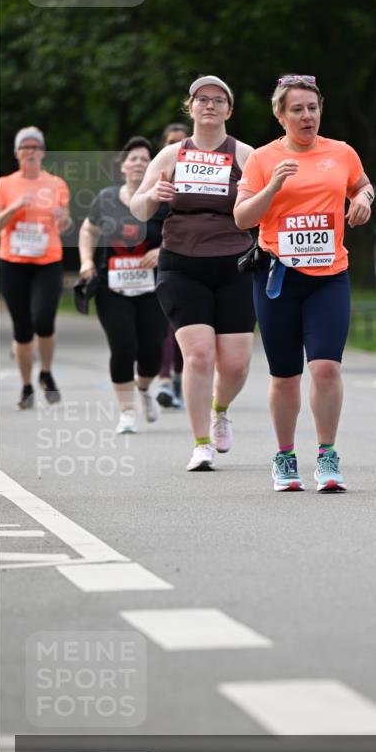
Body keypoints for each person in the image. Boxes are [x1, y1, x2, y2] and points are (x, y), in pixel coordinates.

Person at [234, 74, 374, 492]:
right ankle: (284, 457)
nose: (306, 116)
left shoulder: (342, 152)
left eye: (312, 108)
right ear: (280, 115)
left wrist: (364, 198)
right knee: (285, 374)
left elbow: (362, 184)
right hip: (278, 277)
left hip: (330, 276)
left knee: (327, 367)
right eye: (296, 109)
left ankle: (327, 456)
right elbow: (242, 218)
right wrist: (274, 185)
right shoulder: (261, 159)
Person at [131, 76, 255, 471]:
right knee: (199, 355)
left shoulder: (246, 155)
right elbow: (137, 209)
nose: (210, 105)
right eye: (202, 99)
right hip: (181, 264)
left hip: (235, 264)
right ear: (191, 107)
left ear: (229, 110)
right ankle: (201, 443)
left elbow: (267, 205)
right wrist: (152, 196)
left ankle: (220, 408)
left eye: (219, 100)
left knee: (235, 365)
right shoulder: (170, 155)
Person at [78, 137, 167, 434]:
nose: (139, 163)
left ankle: (143, 389)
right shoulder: (106, 198)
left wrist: (161, 250)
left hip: (153, 287)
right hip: (111, 287)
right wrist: (86, 262)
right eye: (133, 158)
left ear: (152, 165)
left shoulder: (163, 199)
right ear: (122, 166)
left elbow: (179, 233)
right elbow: (88, 230)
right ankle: (127, 412)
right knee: (123, 347)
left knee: (152, 352)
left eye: (145, 159)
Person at [0, 126, 71, 409]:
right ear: (16, 153)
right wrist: (14, 207)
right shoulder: (3, 185)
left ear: (43, 152)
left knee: (43, 320)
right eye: (24, 147)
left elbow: (65, 224)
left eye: (35, 147)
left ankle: (47, 373)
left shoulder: (56, 184)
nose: (30, 152)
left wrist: (64, 220)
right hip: (12, 262)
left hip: (47, 261)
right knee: (22, 329)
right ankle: (27, 386)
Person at [155, 123, 190, 410]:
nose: (178, 148)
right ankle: (165, 380)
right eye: (171, 143)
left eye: (182, 143)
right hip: (157, 265)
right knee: (164, 329)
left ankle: (179, 377)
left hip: (190, 262)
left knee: (182, 328)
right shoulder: (157, 182)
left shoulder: (204, 182)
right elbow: (140, 223)